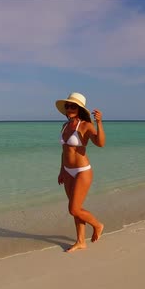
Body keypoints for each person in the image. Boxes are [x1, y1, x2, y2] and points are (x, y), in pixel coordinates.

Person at [55, 92, 105, 253]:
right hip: (68, 171)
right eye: (67, 106)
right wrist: (62, 170)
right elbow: (64, 151)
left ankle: (98, 225)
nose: (69, 108)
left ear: (79, 109)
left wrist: (99, 122)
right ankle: (81, 241)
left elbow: (100, 143)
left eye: (73, 106)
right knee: (76, 208)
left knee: (74, 209)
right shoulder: (64, 126)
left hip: (82, 171)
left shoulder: (85, 125)